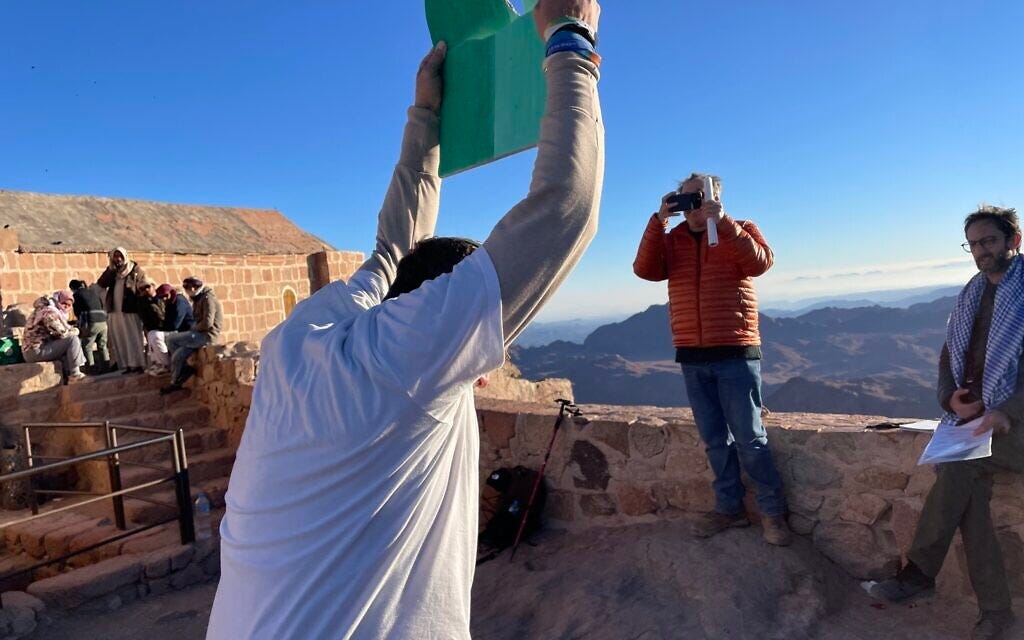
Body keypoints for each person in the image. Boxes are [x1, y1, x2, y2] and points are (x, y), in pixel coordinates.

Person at [206, 1, 604, 636]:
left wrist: (427, 116)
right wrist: (569, 39)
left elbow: (393, 248)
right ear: (432, 321)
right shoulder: (403, 364)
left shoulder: (304, 335)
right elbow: (564, 211)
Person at [872, 206, 1024, 640]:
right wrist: (948, 398)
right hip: (977, 418)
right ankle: (994, 614)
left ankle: (919, 572)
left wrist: (1006, 412)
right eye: (974, 244)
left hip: (1014, 424)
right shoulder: (972, 294)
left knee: (959, 469)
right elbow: (948, 354)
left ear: (1014, 240)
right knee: (969, 500)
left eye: (989, 241)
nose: (981, 251)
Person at [632, 173, 791, 546]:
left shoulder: (741, 229)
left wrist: (725, 223)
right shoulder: (673, 240)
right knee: (715, 441)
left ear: (716, 197)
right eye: (685, 198)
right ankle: (729, 509)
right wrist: (659, 221)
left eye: (699, 197)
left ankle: (772, 515)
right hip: (691, 353)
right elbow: (645, 270)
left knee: (751, 439)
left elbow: (760, 263)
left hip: (735, 351)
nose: (693, 205)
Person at [160, 276, 221, 394]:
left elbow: (207, 323)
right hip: (198, 333)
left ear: (193, 287)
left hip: (206, 336)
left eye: (188, 288)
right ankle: (182, 373)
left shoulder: (208, 299)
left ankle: (175, 381)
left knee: (171, 340)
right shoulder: (198, 299)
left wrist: (194, 328)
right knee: (177, 355)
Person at [96, 247, 147, 374]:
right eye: (115, 256)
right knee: (120, 338)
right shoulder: (113, 272)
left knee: (133, 337)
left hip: (130, 310)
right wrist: (110, 270)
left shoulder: (135, 270)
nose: (118, 259)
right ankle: (126, 365)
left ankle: (138, 364)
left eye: (120, 256)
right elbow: (101, 283)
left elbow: (143, 287)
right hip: (115, 310)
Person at [23, 291, 86, 381]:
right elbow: (62, 333)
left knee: (67, 347)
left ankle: (66, 379)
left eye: (69, 305)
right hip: (35, 351)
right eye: (64, 303)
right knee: (72, 339)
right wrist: (76, 331)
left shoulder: (47, 310)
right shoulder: (48, 312)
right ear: (58, 300)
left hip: (36, 349)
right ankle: (75, 375)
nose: (66, 307)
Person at [145, 283, 193, 376]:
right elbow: (167, 322)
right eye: (161, 297)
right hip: (176, 330)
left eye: (166, 296)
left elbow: (176, 323)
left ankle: (167, 365)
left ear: (171, 293)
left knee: (156, 335)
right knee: (151, 334)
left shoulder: (179, 301)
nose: (164, 298)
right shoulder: (170, 303)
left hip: (186, 332)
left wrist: (163, 329)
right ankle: (158, 363)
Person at [70, 279, 110, 374]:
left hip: (91, 322)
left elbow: (77, 311)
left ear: (72, 288)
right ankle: (106, 368)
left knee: (87, 346)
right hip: (103, 321)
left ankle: (91, 369)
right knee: (102, 345)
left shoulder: (77, 295)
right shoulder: (92, 292)